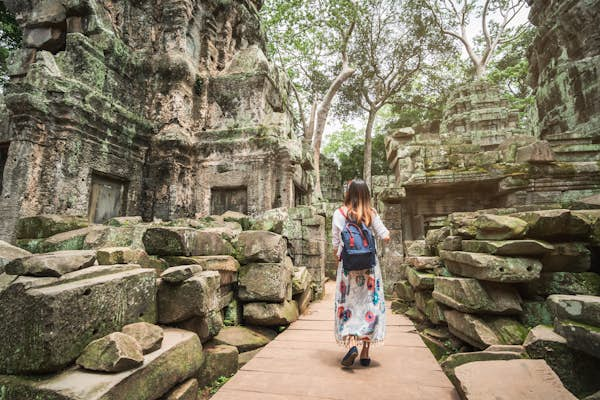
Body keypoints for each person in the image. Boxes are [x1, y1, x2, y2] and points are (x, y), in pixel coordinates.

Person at [332, 179, 390, 367]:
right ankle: (365, 353)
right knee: (369, 306)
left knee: (348, 305)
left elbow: (335, 246)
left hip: (348, 269)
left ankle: (351, 345)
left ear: (348, 193)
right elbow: (385, 235)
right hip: (370, 270)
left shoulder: (339, 213)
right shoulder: (370, 214)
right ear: (366, 194)